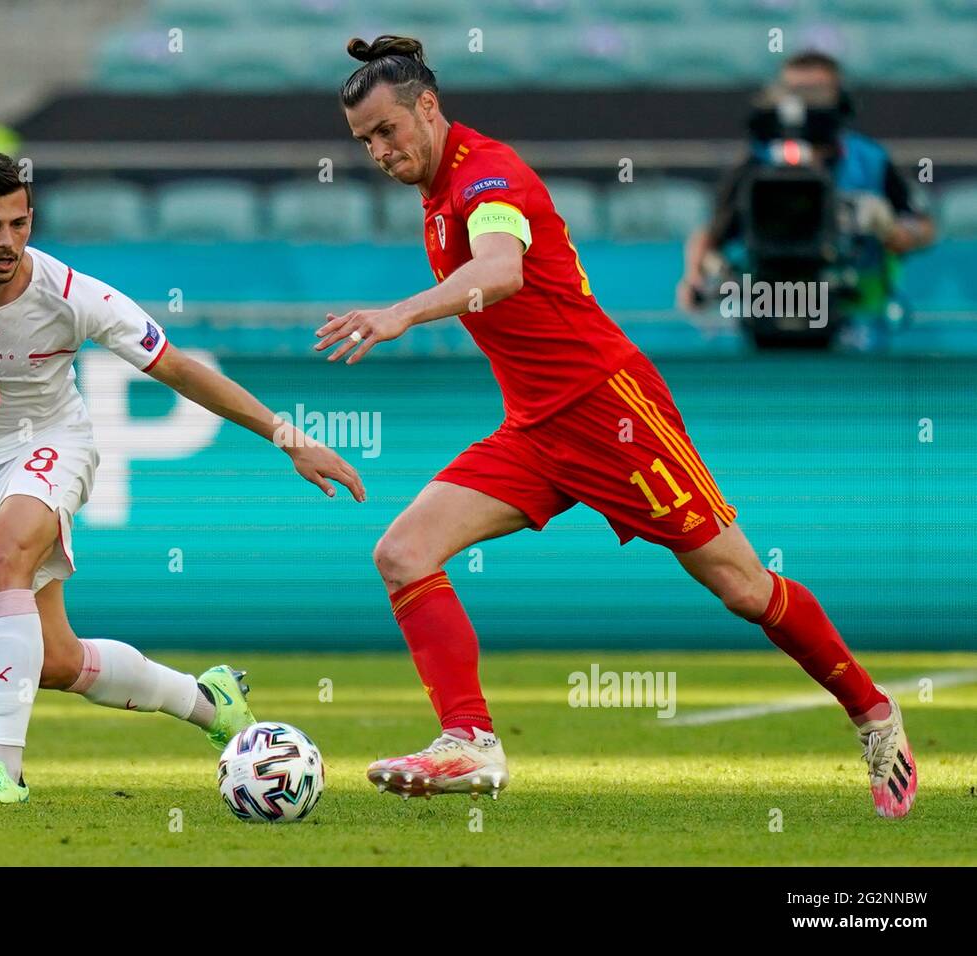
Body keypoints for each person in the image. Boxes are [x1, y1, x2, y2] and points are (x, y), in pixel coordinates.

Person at [317, 36, 916, 818]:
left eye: (387, 131)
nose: (378, 151)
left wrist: (399, 313)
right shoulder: (436, 195)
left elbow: (501, 269)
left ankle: (874, 713)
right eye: (364, 141)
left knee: (740, 585)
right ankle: (470, 742)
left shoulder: (487, 173)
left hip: (612, 411)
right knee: (401, 553)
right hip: (535, 430)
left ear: (428, 107)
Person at [0, 152, 364, 804]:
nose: (8, 241)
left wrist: (287, 437)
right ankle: (209, 702)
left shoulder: (71, 294)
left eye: (19, 223)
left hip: (53, 447)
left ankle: (2, 771)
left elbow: (180, 370)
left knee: (2, 556)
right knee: (55, 661)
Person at [677, 50, 935, 325]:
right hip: (769, 309)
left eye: (817, 93)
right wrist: (694, 276)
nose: (805, 103)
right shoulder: (754, 163)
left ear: (840, 97)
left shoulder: (870, 159)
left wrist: (889, 228)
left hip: (858, 314)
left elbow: (923, 228)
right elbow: (712, 233)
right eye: (795, 91)